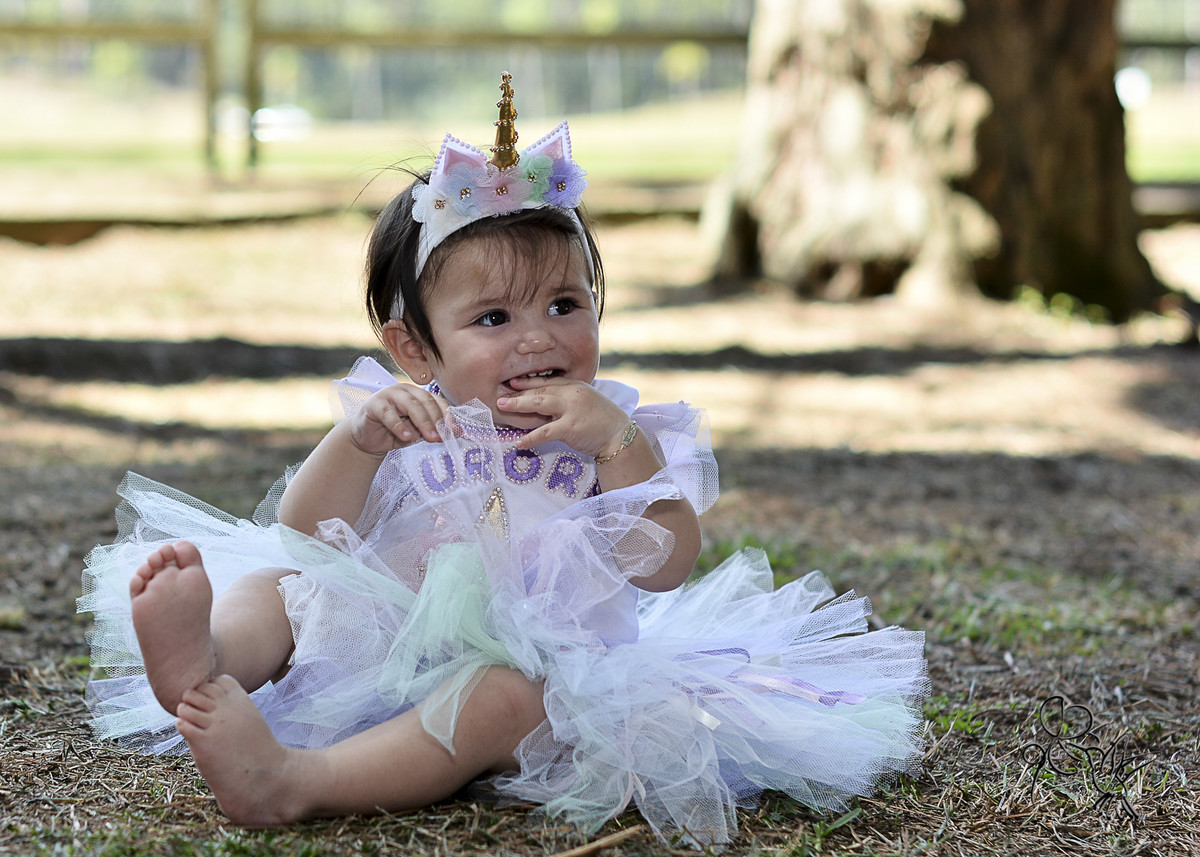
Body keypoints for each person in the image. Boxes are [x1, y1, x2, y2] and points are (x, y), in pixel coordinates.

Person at [79, 74, 928, 848]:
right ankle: (205, 661)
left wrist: (615, 445)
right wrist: (357, 440)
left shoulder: (619, 430)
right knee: (280, 589)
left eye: (565, 304)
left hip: (551, 677)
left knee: (503, 696)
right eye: (492, 318)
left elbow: (667, 563)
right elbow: (307, 534)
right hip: (387, 644)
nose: (538, 336)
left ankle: (294, 780)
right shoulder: (410, 422)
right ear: (417, 348)